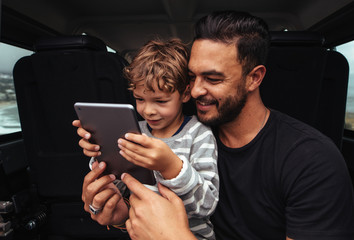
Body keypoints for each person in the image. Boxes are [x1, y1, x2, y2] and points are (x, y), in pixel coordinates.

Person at [77, 11, 354, 240]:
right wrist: (120, 215)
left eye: (212, 78)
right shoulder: (172, 133)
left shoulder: (312, 162)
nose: (196, 91)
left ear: (254, 78)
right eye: (193, 76)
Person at [73, 38, 219, 240]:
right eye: (140, 99)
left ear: (185, 94)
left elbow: (206, 206)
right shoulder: (133, 132)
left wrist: (171, 167)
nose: (148, 111)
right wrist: (101, 155)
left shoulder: (198, 134)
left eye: (161, 101)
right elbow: (120, 185)